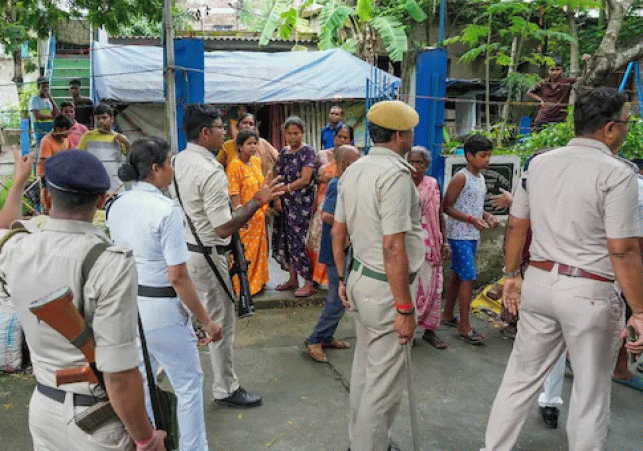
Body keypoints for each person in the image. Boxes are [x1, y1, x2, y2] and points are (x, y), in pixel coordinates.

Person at [481, 87, 643, 451]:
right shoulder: (618, 174)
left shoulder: (540, 163)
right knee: (590, 395)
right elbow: (623, 249)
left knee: (519, 381)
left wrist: (511, 276)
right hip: (590, 292)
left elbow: (516, 224)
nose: (628, 130)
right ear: (611, 129)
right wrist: (642, 310)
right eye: (627, 124)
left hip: (538, 282)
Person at [0, 149, 166, 451]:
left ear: (47, 198)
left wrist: (18, 183)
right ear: (102, 201)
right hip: (97, 422)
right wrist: (146, 439)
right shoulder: (109, 263)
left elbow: (3, 228)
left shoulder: (17, 249)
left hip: (44, 410)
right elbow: (119, 377)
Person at [107, 137, 223, 451]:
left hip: (129, 305)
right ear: (156, 169)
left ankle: (146, 443)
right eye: (169, 163)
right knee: (188, 385)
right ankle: (193, 447)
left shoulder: (116, 205)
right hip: (162, 307)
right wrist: (206, 321)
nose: (172, 169)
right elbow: (178, 277)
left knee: (142, 380)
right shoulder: (165, 209)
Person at [172, 104, 283, 408]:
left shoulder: (178, 160)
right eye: (222, 127)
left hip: (185, 250)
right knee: (220, 323)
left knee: (186, 320)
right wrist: (258, 200)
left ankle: (164, 380)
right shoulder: (211, 171)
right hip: (208, 256)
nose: (227, 132)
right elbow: (223, 228)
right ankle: (225, 388)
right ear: (206, 132)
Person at [332, 100, 423, 451]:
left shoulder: (354, 168)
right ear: (400, 134)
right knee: (383, 386)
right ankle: (369, 446)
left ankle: (364, 441)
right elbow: (393, 247)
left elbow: (338, 234)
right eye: (410, 131)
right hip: (387, 288)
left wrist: (342, 279)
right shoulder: (396, 175)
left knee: (365, 370)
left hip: (360, 279)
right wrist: (404, 308)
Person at [304, 144, 360, 363]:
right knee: (338, 296)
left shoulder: (345, 182)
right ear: (346, 163)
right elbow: (327, 215)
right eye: (356, 161)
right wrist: (345, 232)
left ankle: (326, 336)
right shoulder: (337, 184)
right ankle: (315, 339)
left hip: (340, 244)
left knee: (340, 294)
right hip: (335, 245)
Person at [442, 134, 500, 345]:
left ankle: (448, 315)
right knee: (468, 278)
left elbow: (474, 205)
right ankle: (464, 325)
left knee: (458, 276)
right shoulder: (461, 178)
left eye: (488, 156)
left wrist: (487, 216)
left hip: (471, 234)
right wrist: (470, 219)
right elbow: (446, 206)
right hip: (459, 235)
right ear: (469, 156)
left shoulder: (480, 178)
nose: (487, 160)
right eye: (483, 156)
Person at [407, 146, 450, 349]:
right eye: (412, 162)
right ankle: (410, 330)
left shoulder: (432, 184)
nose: (415, 167)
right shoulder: (401, 183)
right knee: (413, 288)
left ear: (427, 164)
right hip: (411, 242)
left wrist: (445, 241)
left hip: (432, 242)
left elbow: (439, 213)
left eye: (420, 162)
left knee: (434, 286)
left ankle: (430, 331)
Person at [272, 116, 317, 298]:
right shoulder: (283, 152)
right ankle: (292, 279)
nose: (293, 137)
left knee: (300, 241)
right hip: (285, 202)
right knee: (285, 239)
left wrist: (287, 188)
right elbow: (277, 174)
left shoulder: (308, 152)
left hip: (302, 204)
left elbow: (305, 179)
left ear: (302, 133)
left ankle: (308, 281)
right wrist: (276, 197)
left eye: (296, 133)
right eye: (289, 134)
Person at [308, 124, 354, 286]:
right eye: (339, 137)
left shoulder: (352, 158)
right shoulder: (322, 155)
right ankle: (315, 278)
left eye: (345, 137)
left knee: (335, 238)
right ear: (333, 138)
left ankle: (332, 279)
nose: (341, 140)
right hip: (321, 203)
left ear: (350, 140)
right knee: (317, 239)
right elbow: (311, 177)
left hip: (339, 204)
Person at [226, 129, 270, 295]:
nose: (252, 147)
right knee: (245, 254)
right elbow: (234, 194)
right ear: (239, 146)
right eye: (248, 144)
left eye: (254, 143)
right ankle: (242, 289)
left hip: (259, 215)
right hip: (246, 218)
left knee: (260, 253)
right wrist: (240, 216)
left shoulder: (257, 162)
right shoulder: (234, 166)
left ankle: (257, 285)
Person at [78, 104, 131, 190]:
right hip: (94, 184)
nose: (101, 121)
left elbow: (130, 157)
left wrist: (126, 143)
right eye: (98, 118)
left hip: (115, 186)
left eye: (104, 118)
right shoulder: (87, 136)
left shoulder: (119, 138)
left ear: (112, 119)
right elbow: (79, 157)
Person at [526, 56, 589, 128]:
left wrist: (585, 64)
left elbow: (583, 79)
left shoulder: (566, 82)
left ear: (562, 71)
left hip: (559, 120)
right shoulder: (543, 83)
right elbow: (529, 92)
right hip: (542, 119)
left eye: (557, 70)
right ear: (548, 71)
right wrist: (540, 99)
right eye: (552, 70)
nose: (554, 72)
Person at [217, 112, 278, 176]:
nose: (247, 126)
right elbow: (218, 166)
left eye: (251, 124)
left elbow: (278, 159)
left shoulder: (262, 144)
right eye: (244, 123)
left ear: (254, 128)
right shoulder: (228, 145)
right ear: (238, 126)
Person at [29, 76, 59, 150]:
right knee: (41, 150)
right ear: (38, 87)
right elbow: (37, 115)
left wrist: (50, 98)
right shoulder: (35, 99)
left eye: (47, 87)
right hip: (40, 131)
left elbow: (56, 112)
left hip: (50, 130)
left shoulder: (48, 100)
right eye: (43, 87)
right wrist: (52, 116)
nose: (45, 89)